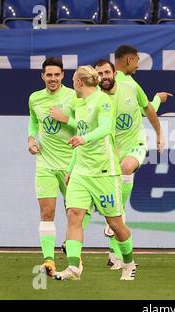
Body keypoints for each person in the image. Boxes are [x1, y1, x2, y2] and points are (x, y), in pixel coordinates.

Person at [52, 66, 136, 281]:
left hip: (104, 172)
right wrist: (71, 169)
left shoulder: (103, 100)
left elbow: (106, 128)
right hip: (81, 171)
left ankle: (129, 263)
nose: (72, 84)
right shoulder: (79, 104)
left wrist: (84, 139)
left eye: (72, 80)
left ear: (80, 82)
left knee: (115, 223)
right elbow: (79, 137)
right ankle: (73, 267)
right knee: (74, 216)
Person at [94, 47, 170, 269]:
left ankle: (114, 225)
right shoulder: (96, 94)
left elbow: (145, 108)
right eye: (137, 60)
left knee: (126, 169)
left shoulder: (130, 84)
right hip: (109, 150)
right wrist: (158, 99)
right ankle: (114, 255)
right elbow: (146, 106)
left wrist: (159, 133)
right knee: (116, 212)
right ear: (129, 59)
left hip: (134, 144)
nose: (138, 64)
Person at [28, 57, 78, 277]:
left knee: (76, 214)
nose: (53, 79)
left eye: (57, 75)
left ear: (63, 76)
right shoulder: (35, 98)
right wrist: (31, 139)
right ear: (42, 76)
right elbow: (34, 121)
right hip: (45, 164)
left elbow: (85, 125)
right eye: (49, 75)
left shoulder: (73, 96)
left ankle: (73, 255)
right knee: (47, 212)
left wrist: (64, 118)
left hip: (71, 165)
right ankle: (48, 260)